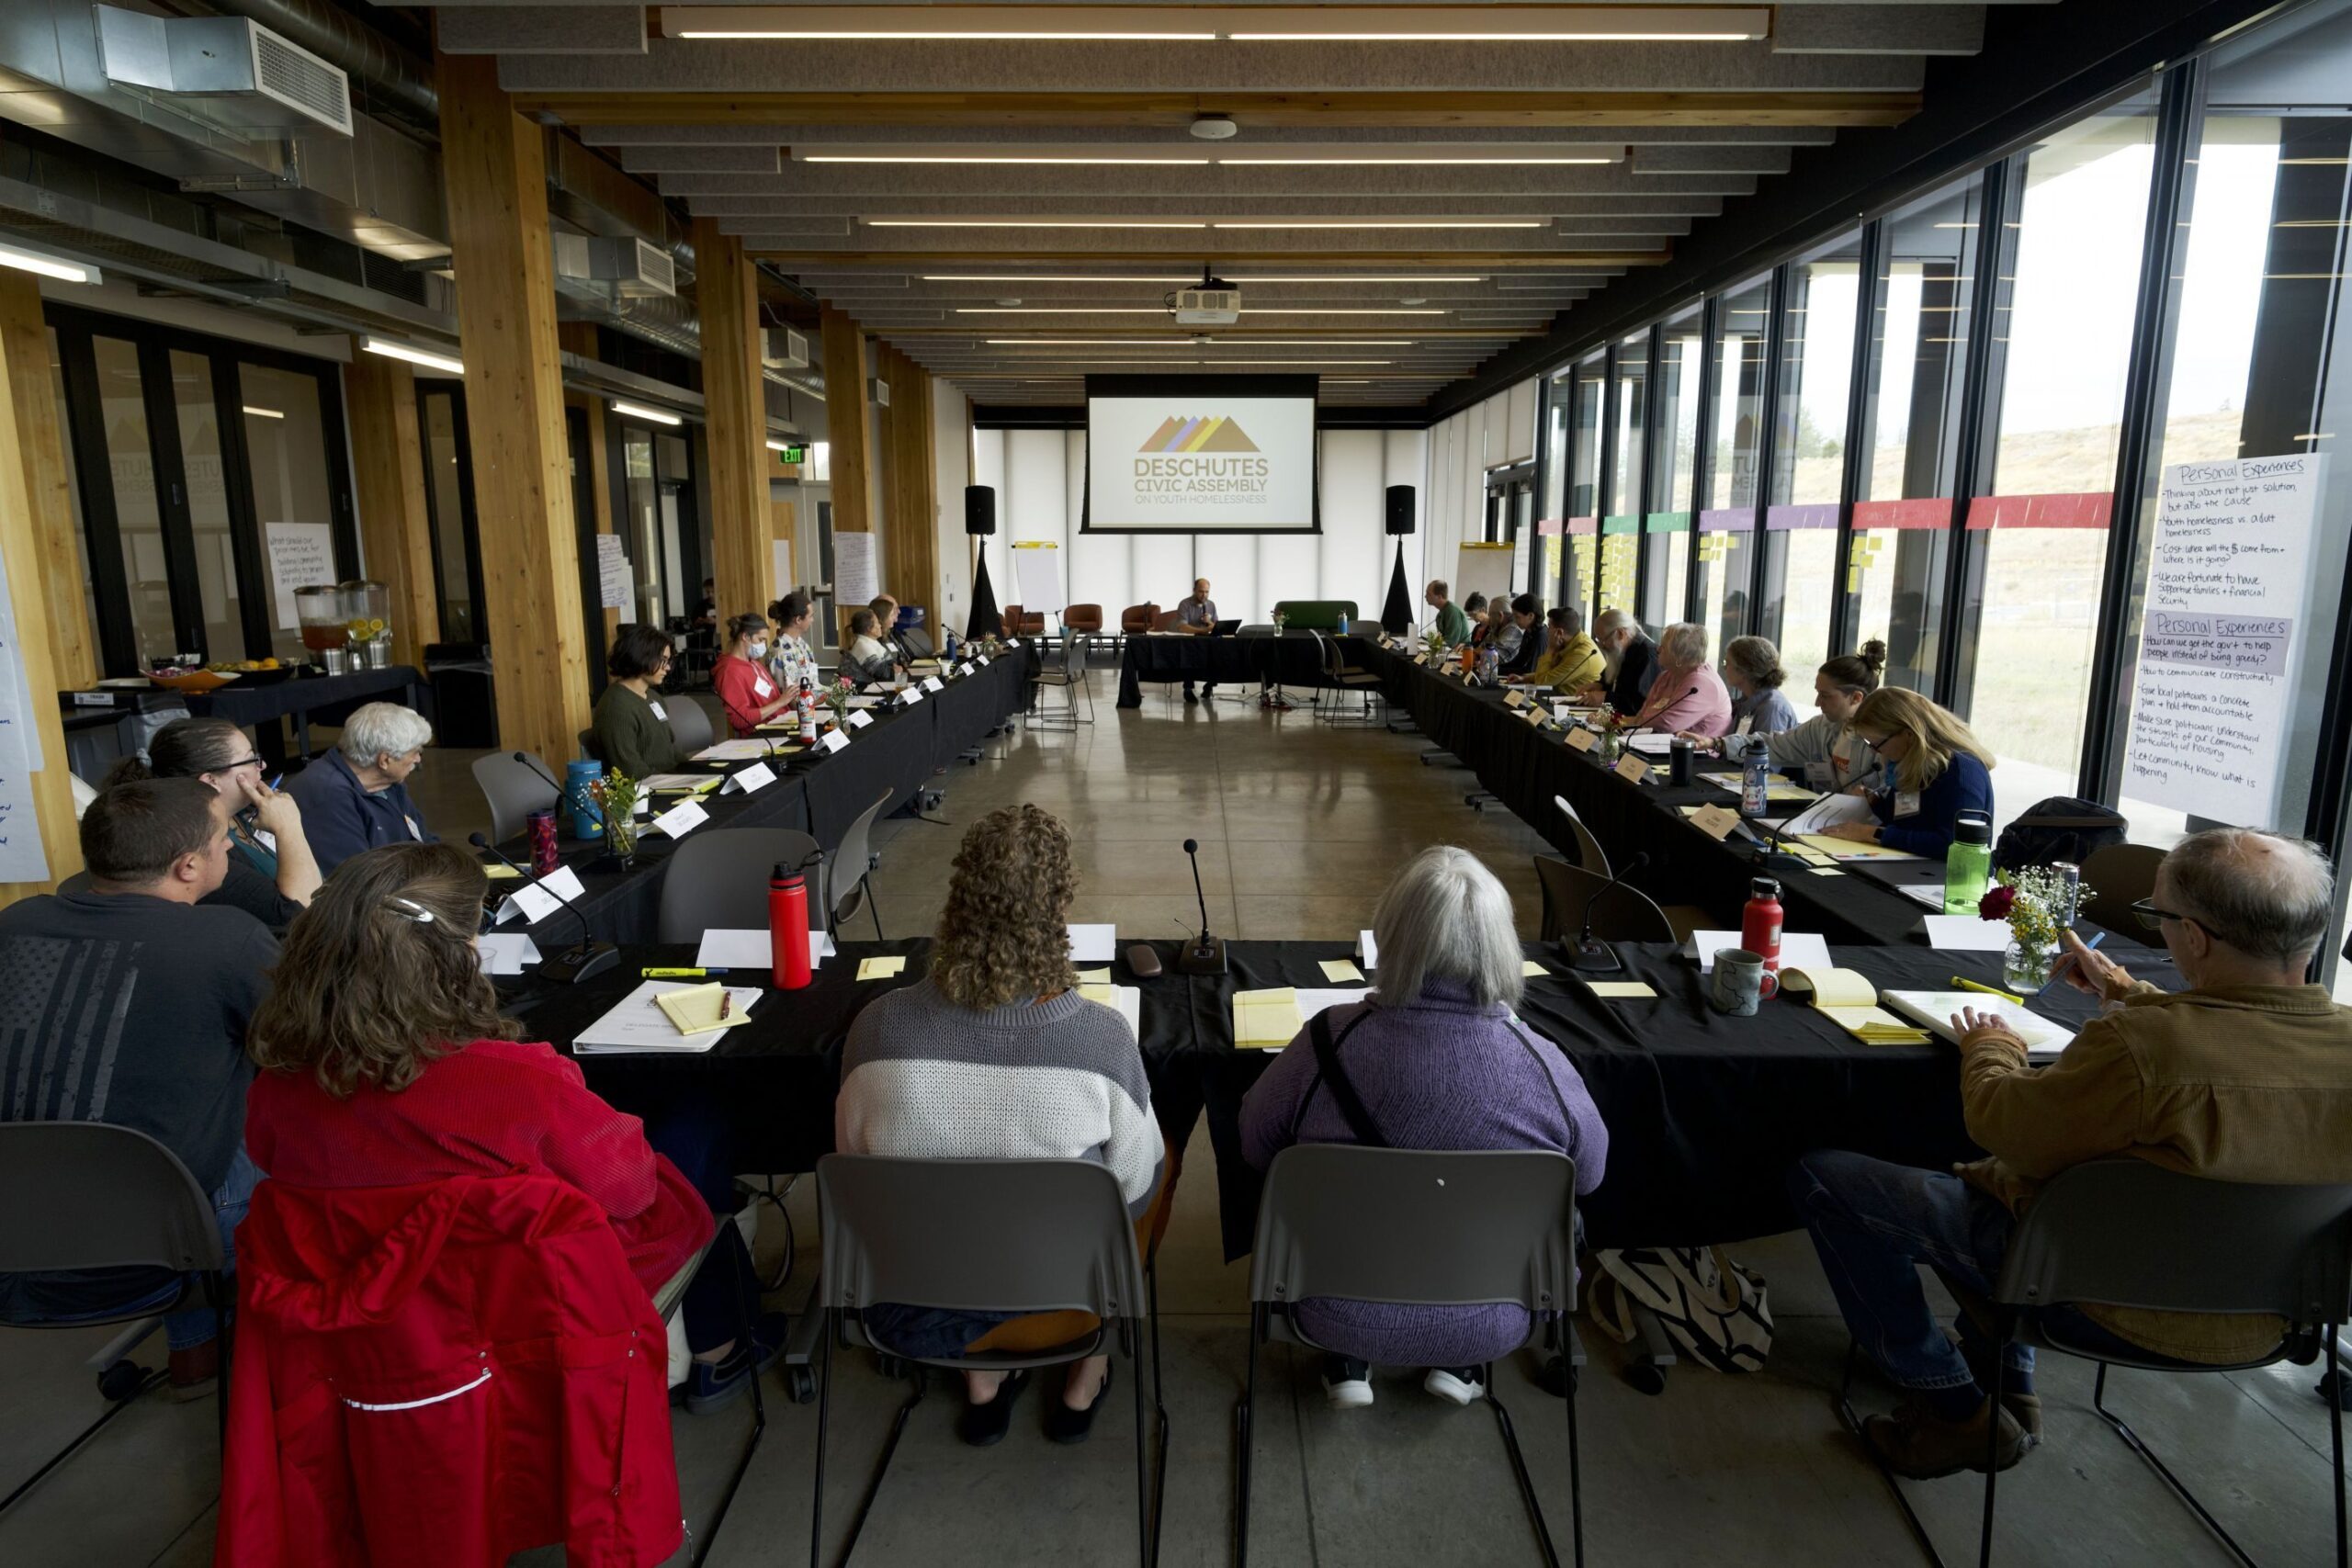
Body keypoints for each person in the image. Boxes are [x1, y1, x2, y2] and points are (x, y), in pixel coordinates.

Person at [1787, 829, 2352, 1478]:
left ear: (2194, 938)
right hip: (2270, 1317)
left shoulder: (2141, 1048)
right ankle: (2008, 1379)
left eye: (2159, 917)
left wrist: (1991, 1051)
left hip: (2098, 1297)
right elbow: (2244, 1039)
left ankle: (1953, 1406)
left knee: (1828, 1180)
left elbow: (2004, 1126)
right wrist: (2131, 992)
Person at [243, 842, 785, 1413]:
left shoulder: (276, 1091)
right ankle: (719, 1347)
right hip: (535, 1310)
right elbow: (630, 1191)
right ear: (453, 956)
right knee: (695, 1124)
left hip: (364, 1321)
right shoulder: (517, 1083)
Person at [836, 805, 1166, 1447]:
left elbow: (855, 1175)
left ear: (957, 896)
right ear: (1058, 914)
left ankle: (983, 1384)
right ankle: (1086, 1372)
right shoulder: (1102, 1040)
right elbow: (1135, 1194)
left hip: (913, 1291)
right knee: (1162, 1158)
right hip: (1058, 1297)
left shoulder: (875, 1028)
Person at [1239, 847, 1609, 1410]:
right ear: (1502, 945)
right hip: (1497, 1315)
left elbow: (1254, 1143)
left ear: (1391, 935)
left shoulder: (1324, 1042)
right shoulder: (1544, 1066)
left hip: (1327, 1302)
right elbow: (1590, 1176)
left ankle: (1350, 1355)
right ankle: (1457, 1360)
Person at [0, 779, 275, 1395]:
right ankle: (276, 1365)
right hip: (162, 1242)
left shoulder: (14, 924)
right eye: (223, 840)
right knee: (284, 1127)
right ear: (188, 866)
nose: (230, 851)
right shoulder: (224, 938)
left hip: (16, 1233)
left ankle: (196, 1349)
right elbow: (313, 1047)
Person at [104, 716, 320, 928]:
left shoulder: (239, 814)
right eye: (251, 759)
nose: (262, 765)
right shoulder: (210, 851)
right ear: (211, 781)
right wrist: (289, 827)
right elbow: (304, 916)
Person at [1818, 685, 1995, 858]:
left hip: (1944, 879)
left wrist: (1873, 834)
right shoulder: (1911, 762)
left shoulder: (1962, 772)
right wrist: (1874, 801)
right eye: (1869, 744)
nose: (1874, 751)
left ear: (1908, 734)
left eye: (1877, 744)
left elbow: (1953, 844)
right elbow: (1907, 818)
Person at [284, 701, 435, 874]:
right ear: (385, 761)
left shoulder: (388, 783)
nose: (418, 759)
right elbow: (357, 879)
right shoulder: (329, 798)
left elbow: (423, 839)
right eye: (415, 752)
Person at [1746, 641, 1886, 790]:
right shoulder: (1820, 726)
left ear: (1856, 698)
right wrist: (1722, 745)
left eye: (1825, 696)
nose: (1817, 703)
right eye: (1818, 693)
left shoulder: (1882, 742)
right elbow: (1774, 745)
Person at [593, 624, 684, 780]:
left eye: (668, 661)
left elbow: (671, 748)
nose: (668, 668)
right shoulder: (616, 708)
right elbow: (631, 771)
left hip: (670, 782)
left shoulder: (653, 697)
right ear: (641, 656)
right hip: (649, 792)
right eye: (663, 660)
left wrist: (696, 770)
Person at [1625, 622, 1734, 737]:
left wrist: (1643, 719)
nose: (1658, 648)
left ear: (1680, 656)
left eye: (1664, 647)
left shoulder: (1702, 682)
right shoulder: (1667, 675)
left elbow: (1667, 724)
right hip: (1662, 745)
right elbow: (1642, 715)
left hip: (1699, 752)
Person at [712, 612, 793, 736]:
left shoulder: (754, 663)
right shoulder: (730, 671)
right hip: (764, 735)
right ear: (745, 637)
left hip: (783, 724)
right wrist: (780, 702)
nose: (764, 646)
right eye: (761, 640)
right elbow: (739, 720)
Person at [1713, 635, 1802, 738]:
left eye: (1727, 663)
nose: (1724, 668)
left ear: (1743, 670)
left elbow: (1768, 751)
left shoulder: (1771, 710)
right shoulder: (1747, 701)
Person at [1577, 608, 1658, 716]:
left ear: (1620, 633)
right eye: (1598, 640)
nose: (1601, 646)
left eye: (1603, 640)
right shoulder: (1620, 651)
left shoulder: (1646, 655)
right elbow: (1612, 683)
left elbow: (1639, 704)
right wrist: (1599, 686)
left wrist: (1606, 698)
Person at [1516, 605, 1604, 694]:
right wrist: (1524, 678)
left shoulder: (1581, 654)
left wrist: (1550, 649)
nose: (1547, 631)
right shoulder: (1571, 640)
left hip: (1575, 703)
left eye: (1549, 627)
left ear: (1559, 632)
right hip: (1560, 697)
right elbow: (1552, 674)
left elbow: (1542, 684)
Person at [1175, 577, 1219, 703]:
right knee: (1189, 655)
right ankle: (1188, 689)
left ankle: (1209, 685)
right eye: (1201, 591)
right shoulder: (1185, 604)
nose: (1204, 595)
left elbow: (1216, 626)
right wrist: (1203, 630)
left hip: (1207, 641)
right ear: (1194, 590)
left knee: (1219, 653)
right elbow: (1182, 627)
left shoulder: (1211, 604)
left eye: (1207, 592)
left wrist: (1209, 621)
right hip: (1190, 641)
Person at [767, 591, 820, 693]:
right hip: (798, 707)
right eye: (811, 616)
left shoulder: (802, 644)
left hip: (811, 701)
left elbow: (814, 683)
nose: (812, 620)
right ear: (798, 620)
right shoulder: (780, 652)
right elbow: (792, 699)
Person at [841, 607, 897, 687]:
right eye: (877, 623)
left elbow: (891, 662)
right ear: (870, 629)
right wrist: (894, 670)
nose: (880, 625)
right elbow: (883, 673)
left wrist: (893, 668)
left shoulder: (871, 641)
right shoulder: (862, 645)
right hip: (858, 692)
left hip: (868, 687)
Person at [1493, 592, 1539, 677]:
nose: (1514, 620)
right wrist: (1494, 668)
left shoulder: (1540, 636)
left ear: (1530, 616)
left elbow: (1530, 670)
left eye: (1517, 617)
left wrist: (1495, 670)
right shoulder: (1528, 632)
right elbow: (1518, 662)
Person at [1424, 579, 1470, 648]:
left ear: (1439, 597)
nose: (1425, 596)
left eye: (1429, 594)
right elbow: (1441, 639)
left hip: (1459, 654)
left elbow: (1451, 642)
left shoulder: (1453, 611)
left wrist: (1430, 645)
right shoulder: (1441, 613)